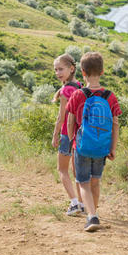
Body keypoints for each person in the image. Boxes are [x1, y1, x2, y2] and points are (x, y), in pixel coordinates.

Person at [66, 52, 121, 232]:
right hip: (101, 147)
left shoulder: (78, 95)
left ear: (82, 72)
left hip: (82, 146)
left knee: (83, 183)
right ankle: (93, 212)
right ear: (103, 71)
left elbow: (70, 120)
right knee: (95, 182)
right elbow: (115, 124)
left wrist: (72, 141)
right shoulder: (110, 96)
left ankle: (91, 216)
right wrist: (112, 148)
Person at [51, 53, 84, 216]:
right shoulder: (79, 85)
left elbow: (61, 117)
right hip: (79, 134)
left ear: (71, 69)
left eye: (61, 69)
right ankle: (84, 204)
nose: (58, 73)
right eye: (55, 70)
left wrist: (55, 134)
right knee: (77, 170)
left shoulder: (65, 91)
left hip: (66, 134)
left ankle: (74, 203)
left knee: (62, 170)